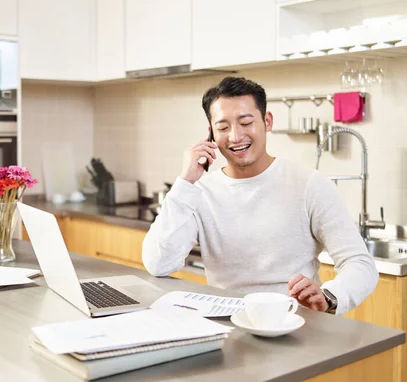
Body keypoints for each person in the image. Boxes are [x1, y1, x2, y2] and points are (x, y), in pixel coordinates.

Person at [142, 77, 378, 315]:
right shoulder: (200, 192)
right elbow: (158, 264)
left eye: (246, 122)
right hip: (225, 323)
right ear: (211, 134)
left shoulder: (309, 185)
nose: (235, 136)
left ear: (267, 121)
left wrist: (329, 297)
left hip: (293, 323)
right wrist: (185, 182)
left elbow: (360, 264)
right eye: (223, 127)